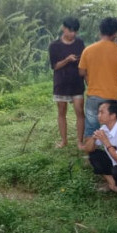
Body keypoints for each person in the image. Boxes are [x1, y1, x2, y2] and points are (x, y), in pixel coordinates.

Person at [78, 17, 117, 140]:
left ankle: (89, 157)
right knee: (115, 129)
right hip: (114, 95)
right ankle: (114, 155)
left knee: (91, 129)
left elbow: (81, 71)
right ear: (115, 33)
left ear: (100, 31)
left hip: (94, 94)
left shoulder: (88, 50)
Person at [49, 17, 86, 148]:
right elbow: (55, 66)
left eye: (75, 31)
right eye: (70, 31)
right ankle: (64, 141)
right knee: (61, 111)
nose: (73, 34)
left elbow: (84, 62)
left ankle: (80, 142)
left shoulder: (80, 43)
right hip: (61, 83)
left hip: (77, 83)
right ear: (63, 28)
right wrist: (67, 60)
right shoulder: (54, 46)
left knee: (79, 111)